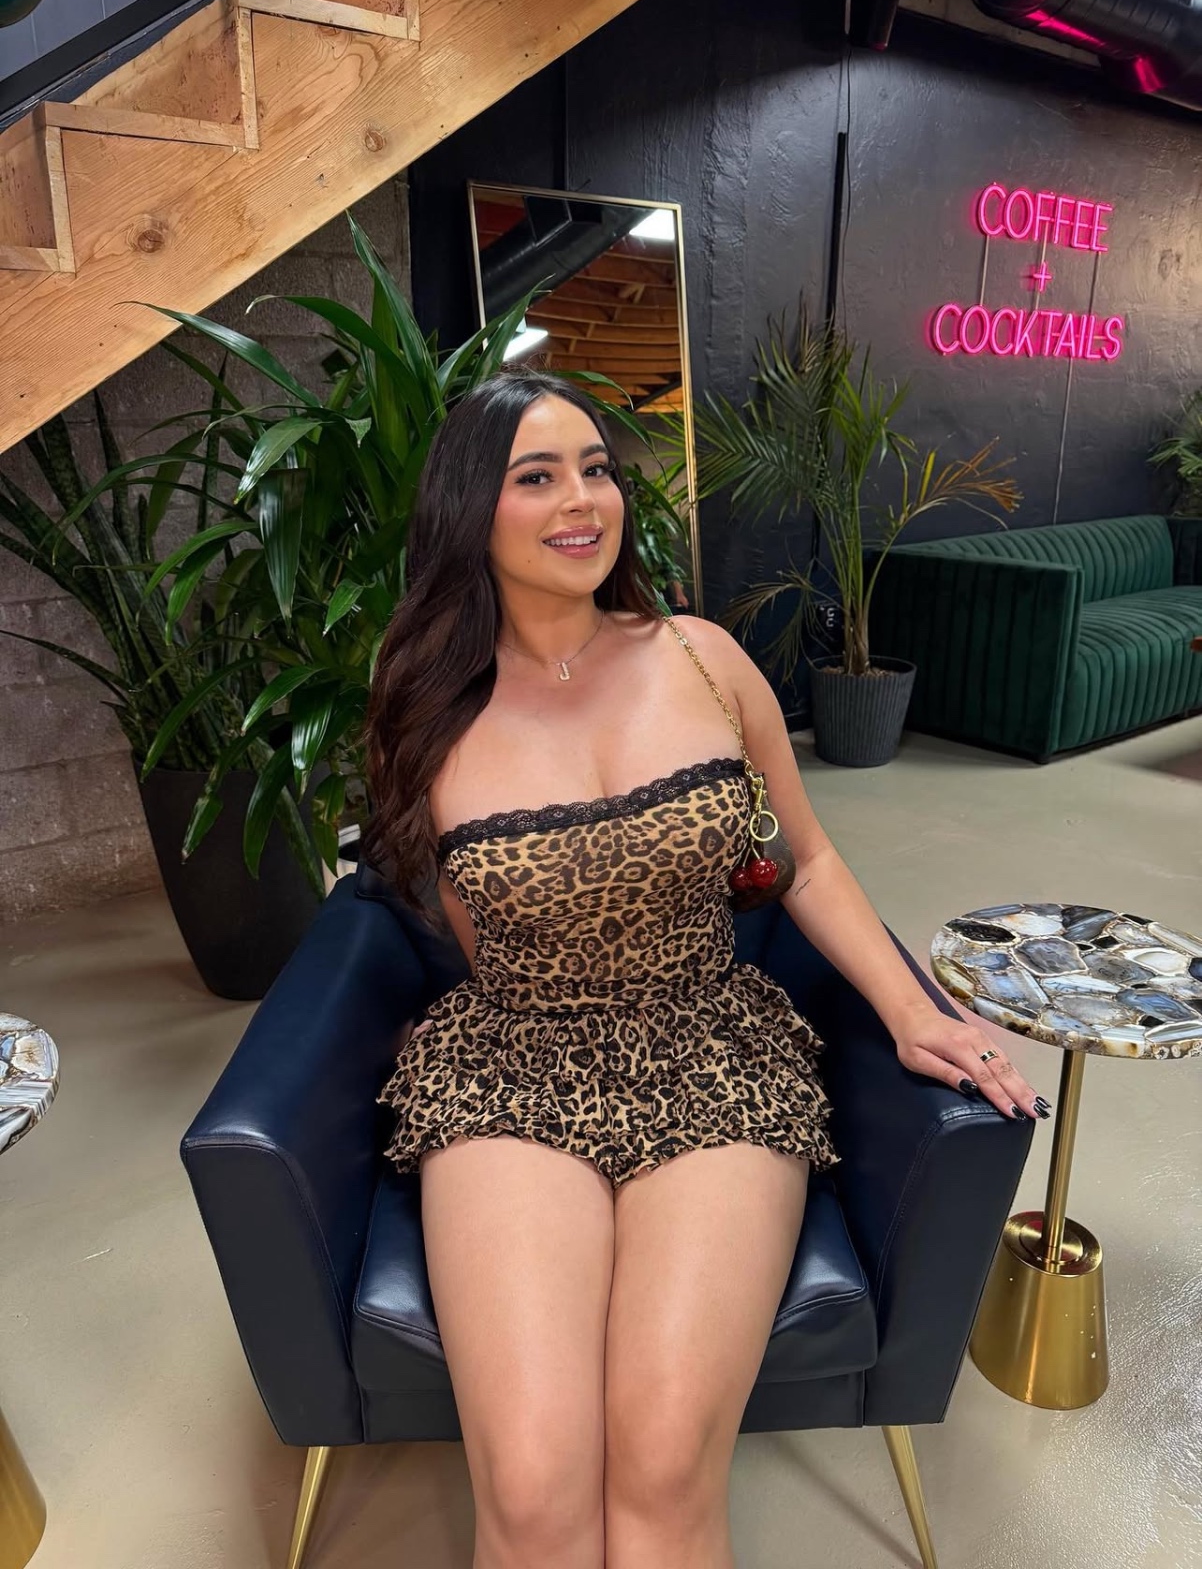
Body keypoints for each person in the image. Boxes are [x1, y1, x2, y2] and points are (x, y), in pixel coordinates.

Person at [362, 369, 1045, 1569]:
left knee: (667, 1462)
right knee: (529, 1487)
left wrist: (910, 1008)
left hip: (711, 1046)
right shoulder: (424, 702)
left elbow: (803, 859)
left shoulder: (702, 658)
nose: (582, 500)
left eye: (595, 469)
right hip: (512, 1057)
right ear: (469, 507)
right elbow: (468, 926)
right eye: (536, 477)